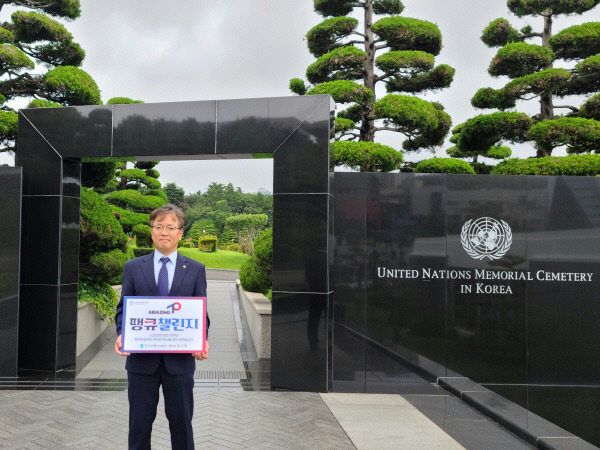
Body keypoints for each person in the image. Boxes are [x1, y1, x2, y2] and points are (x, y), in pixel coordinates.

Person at [115, 204, 210, 450]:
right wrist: (122, 333)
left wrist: (202, 339)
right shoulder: (134, 267)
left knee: (181, 424)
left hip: (179, 363)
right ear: (151, 231)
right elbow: (123, 308)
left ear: (180, 233)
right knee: (139, 425)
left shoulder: (196, 269)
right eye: (158, 226)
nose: (164, 232)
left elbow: (201, 313)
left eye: (170, 227)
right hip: (141, 363)